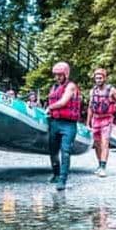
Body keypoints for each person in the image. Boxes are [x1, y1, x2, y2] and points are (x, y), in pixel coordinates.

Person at [45, 61, 82, 191]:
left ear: (66, 74)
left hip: (68, 124)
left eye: (60, 75)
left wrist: (50, 107)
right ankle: (55, 174)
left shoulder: (71, 86)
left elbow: (63, 102)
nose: (57, 77)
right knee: (53, 151)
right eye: (56, 75)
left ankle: (62, 180)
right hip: (55, 122)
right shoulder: (54, 87)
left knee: (65, 151)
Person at [86, 68, 116, 177]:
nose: (98, 80)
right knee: (96, 144)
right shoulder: (92, 91)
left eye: (100, 78)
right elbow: (90, 107)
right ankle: (100, 164)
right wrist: (87, 123)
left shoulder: (112, 90)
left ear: (105, 78)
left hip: (107, 119)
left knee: (104, 142)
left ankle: (103, 167)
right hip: (95, 119)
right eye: (96, 78)